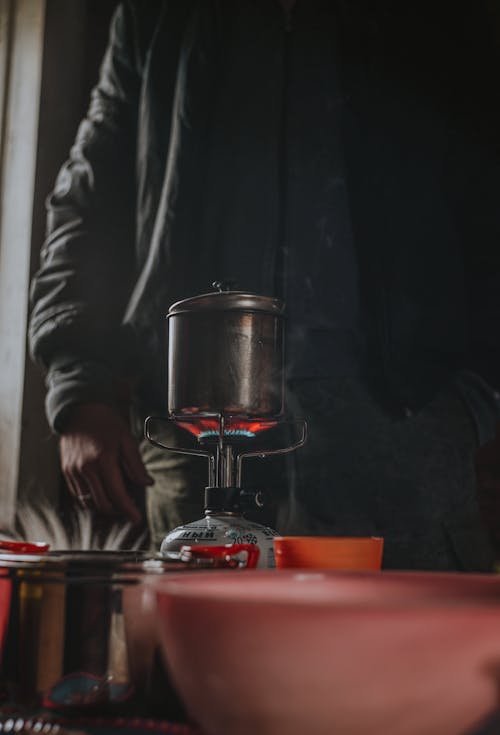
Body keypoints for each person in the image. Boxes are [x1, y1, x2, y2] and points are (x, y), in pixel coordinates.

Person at [29, 0, 500, 568]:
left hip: (402, 428)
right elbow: (89, 198)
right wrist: (79, 388)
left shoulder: (439, 18)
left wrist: (480, 398)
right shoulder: (153, 14)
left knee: (398, 651)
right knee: (200, 651)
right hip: (193, 423)